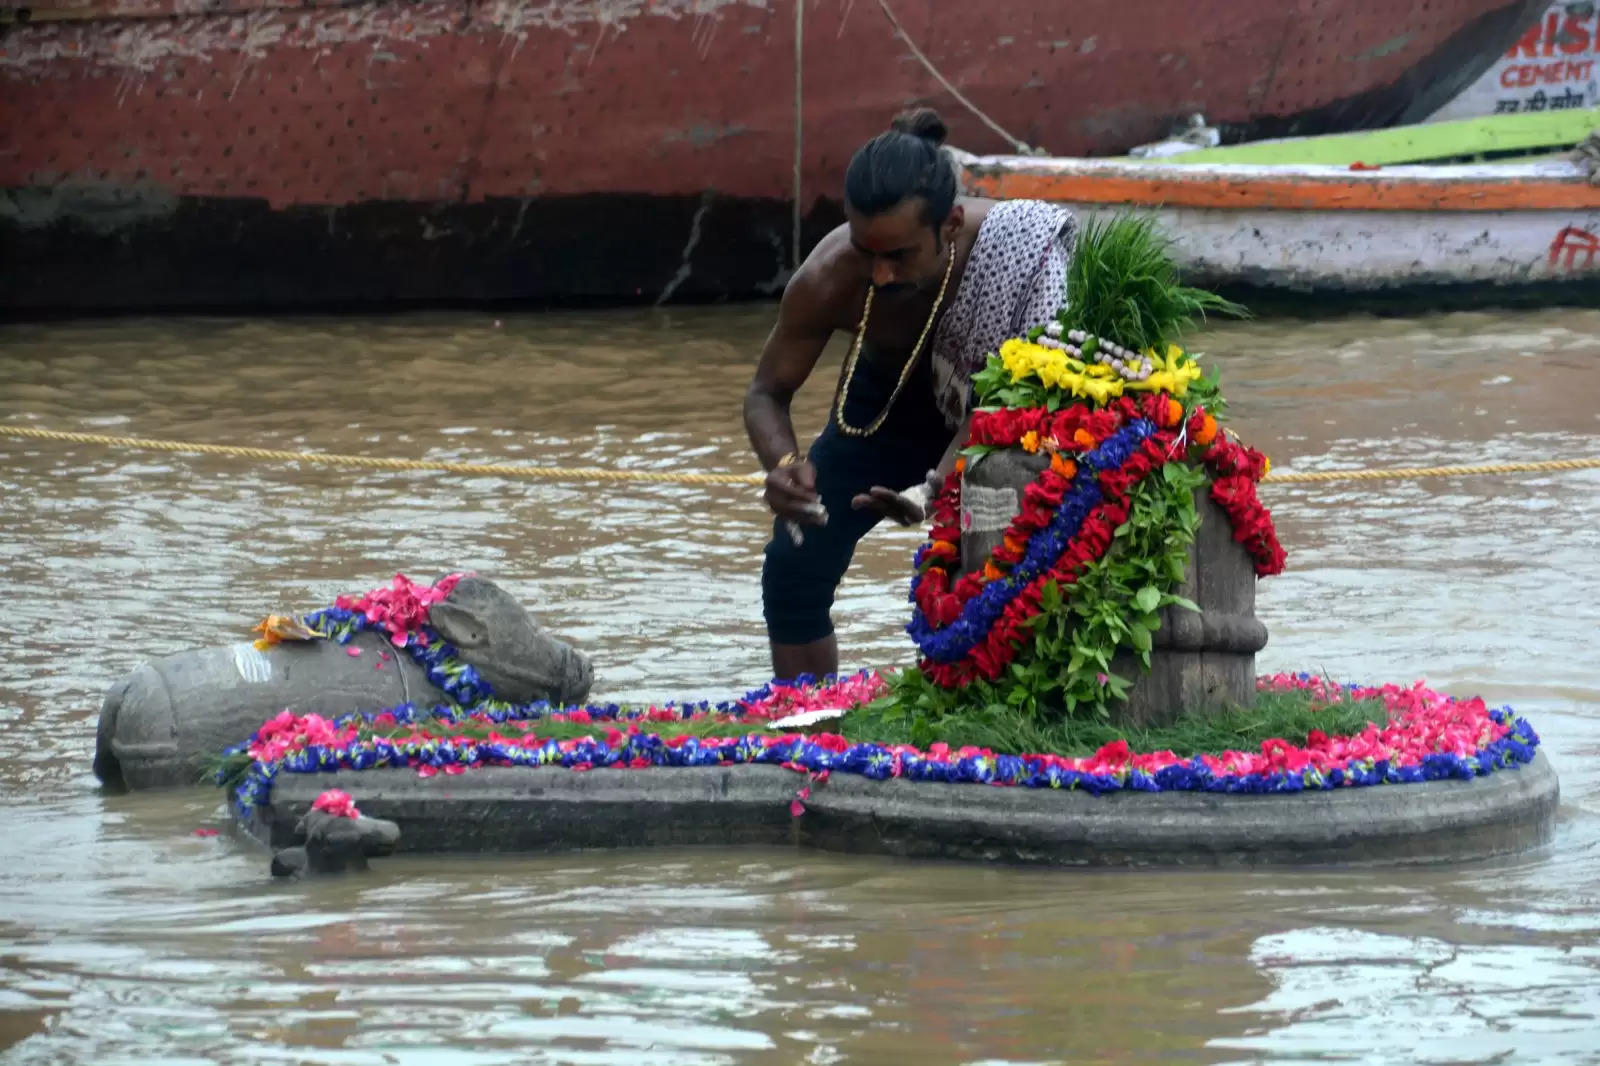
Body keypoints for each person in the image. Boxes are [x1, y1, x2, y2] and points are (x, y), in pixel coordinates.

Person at [743, 107, 1076, 681]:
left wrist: (935, 485)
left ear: (949, 223)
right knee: (794, 563)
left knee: (1001, 569)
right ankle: (807, 719)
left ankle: (994, 712)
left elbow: (1030, 388)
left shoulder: (1019, 252)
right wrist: (785, 464)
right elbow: (766, 393)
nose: (879, 275)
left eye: (898, 256)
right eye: (866, 250)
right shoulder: (829, 277)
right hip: (885, 406)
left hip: (999, 409)